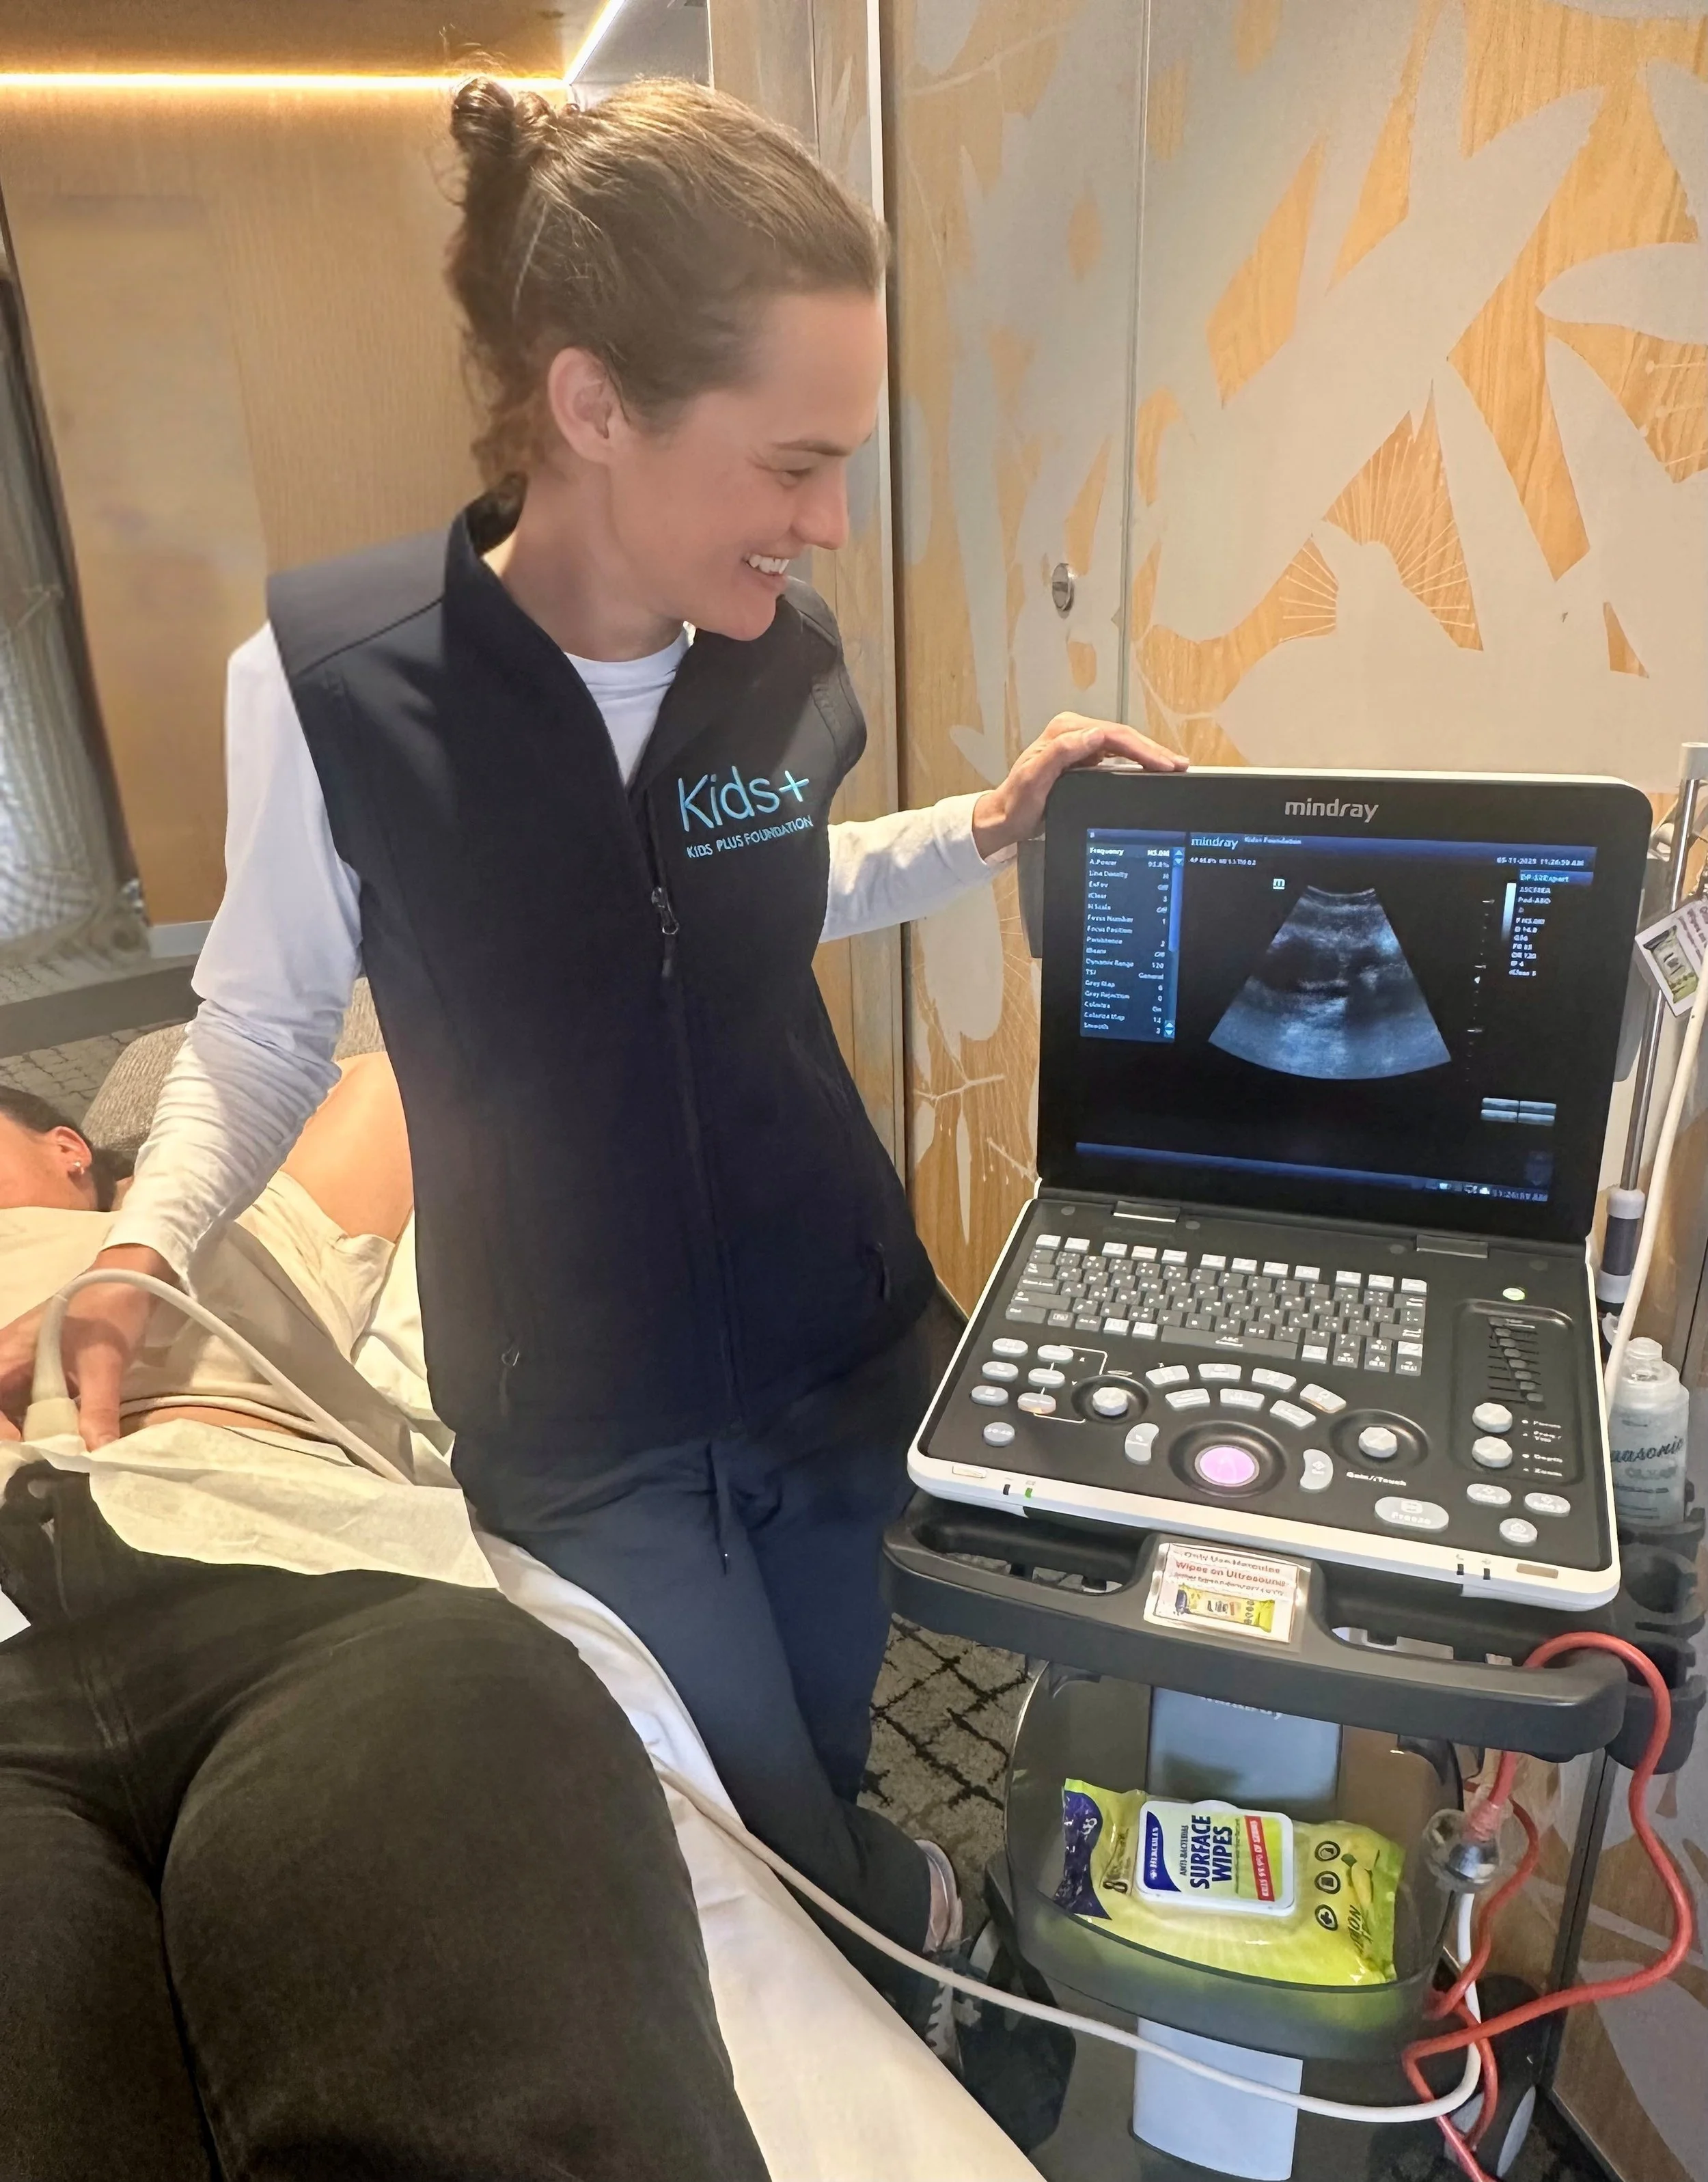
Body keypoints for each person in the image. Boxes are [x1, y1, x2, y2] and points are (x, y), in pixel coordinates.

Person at [1, 76, 1184, 1992]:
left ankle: (905, 1916)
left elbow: (770, 876)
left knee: (821, 1732)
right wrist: (143, 1242)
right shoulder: (336, 690)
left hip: (841, 1336)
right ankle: (924, 1943)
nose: (827, 521)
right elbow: (271, 1018)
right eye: (791, 462)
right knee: (735, 1808)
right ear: (591, 405)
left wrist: (981, 829)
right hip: (587, 1420)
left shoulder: (778, 662)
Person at [0, 1073, 769, 2182]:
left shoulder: (217, 1236)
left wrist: (154, 1227)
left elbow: (409, 1068)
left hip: (310, 1607)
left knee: (514, 2117)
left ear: (70, 1152)